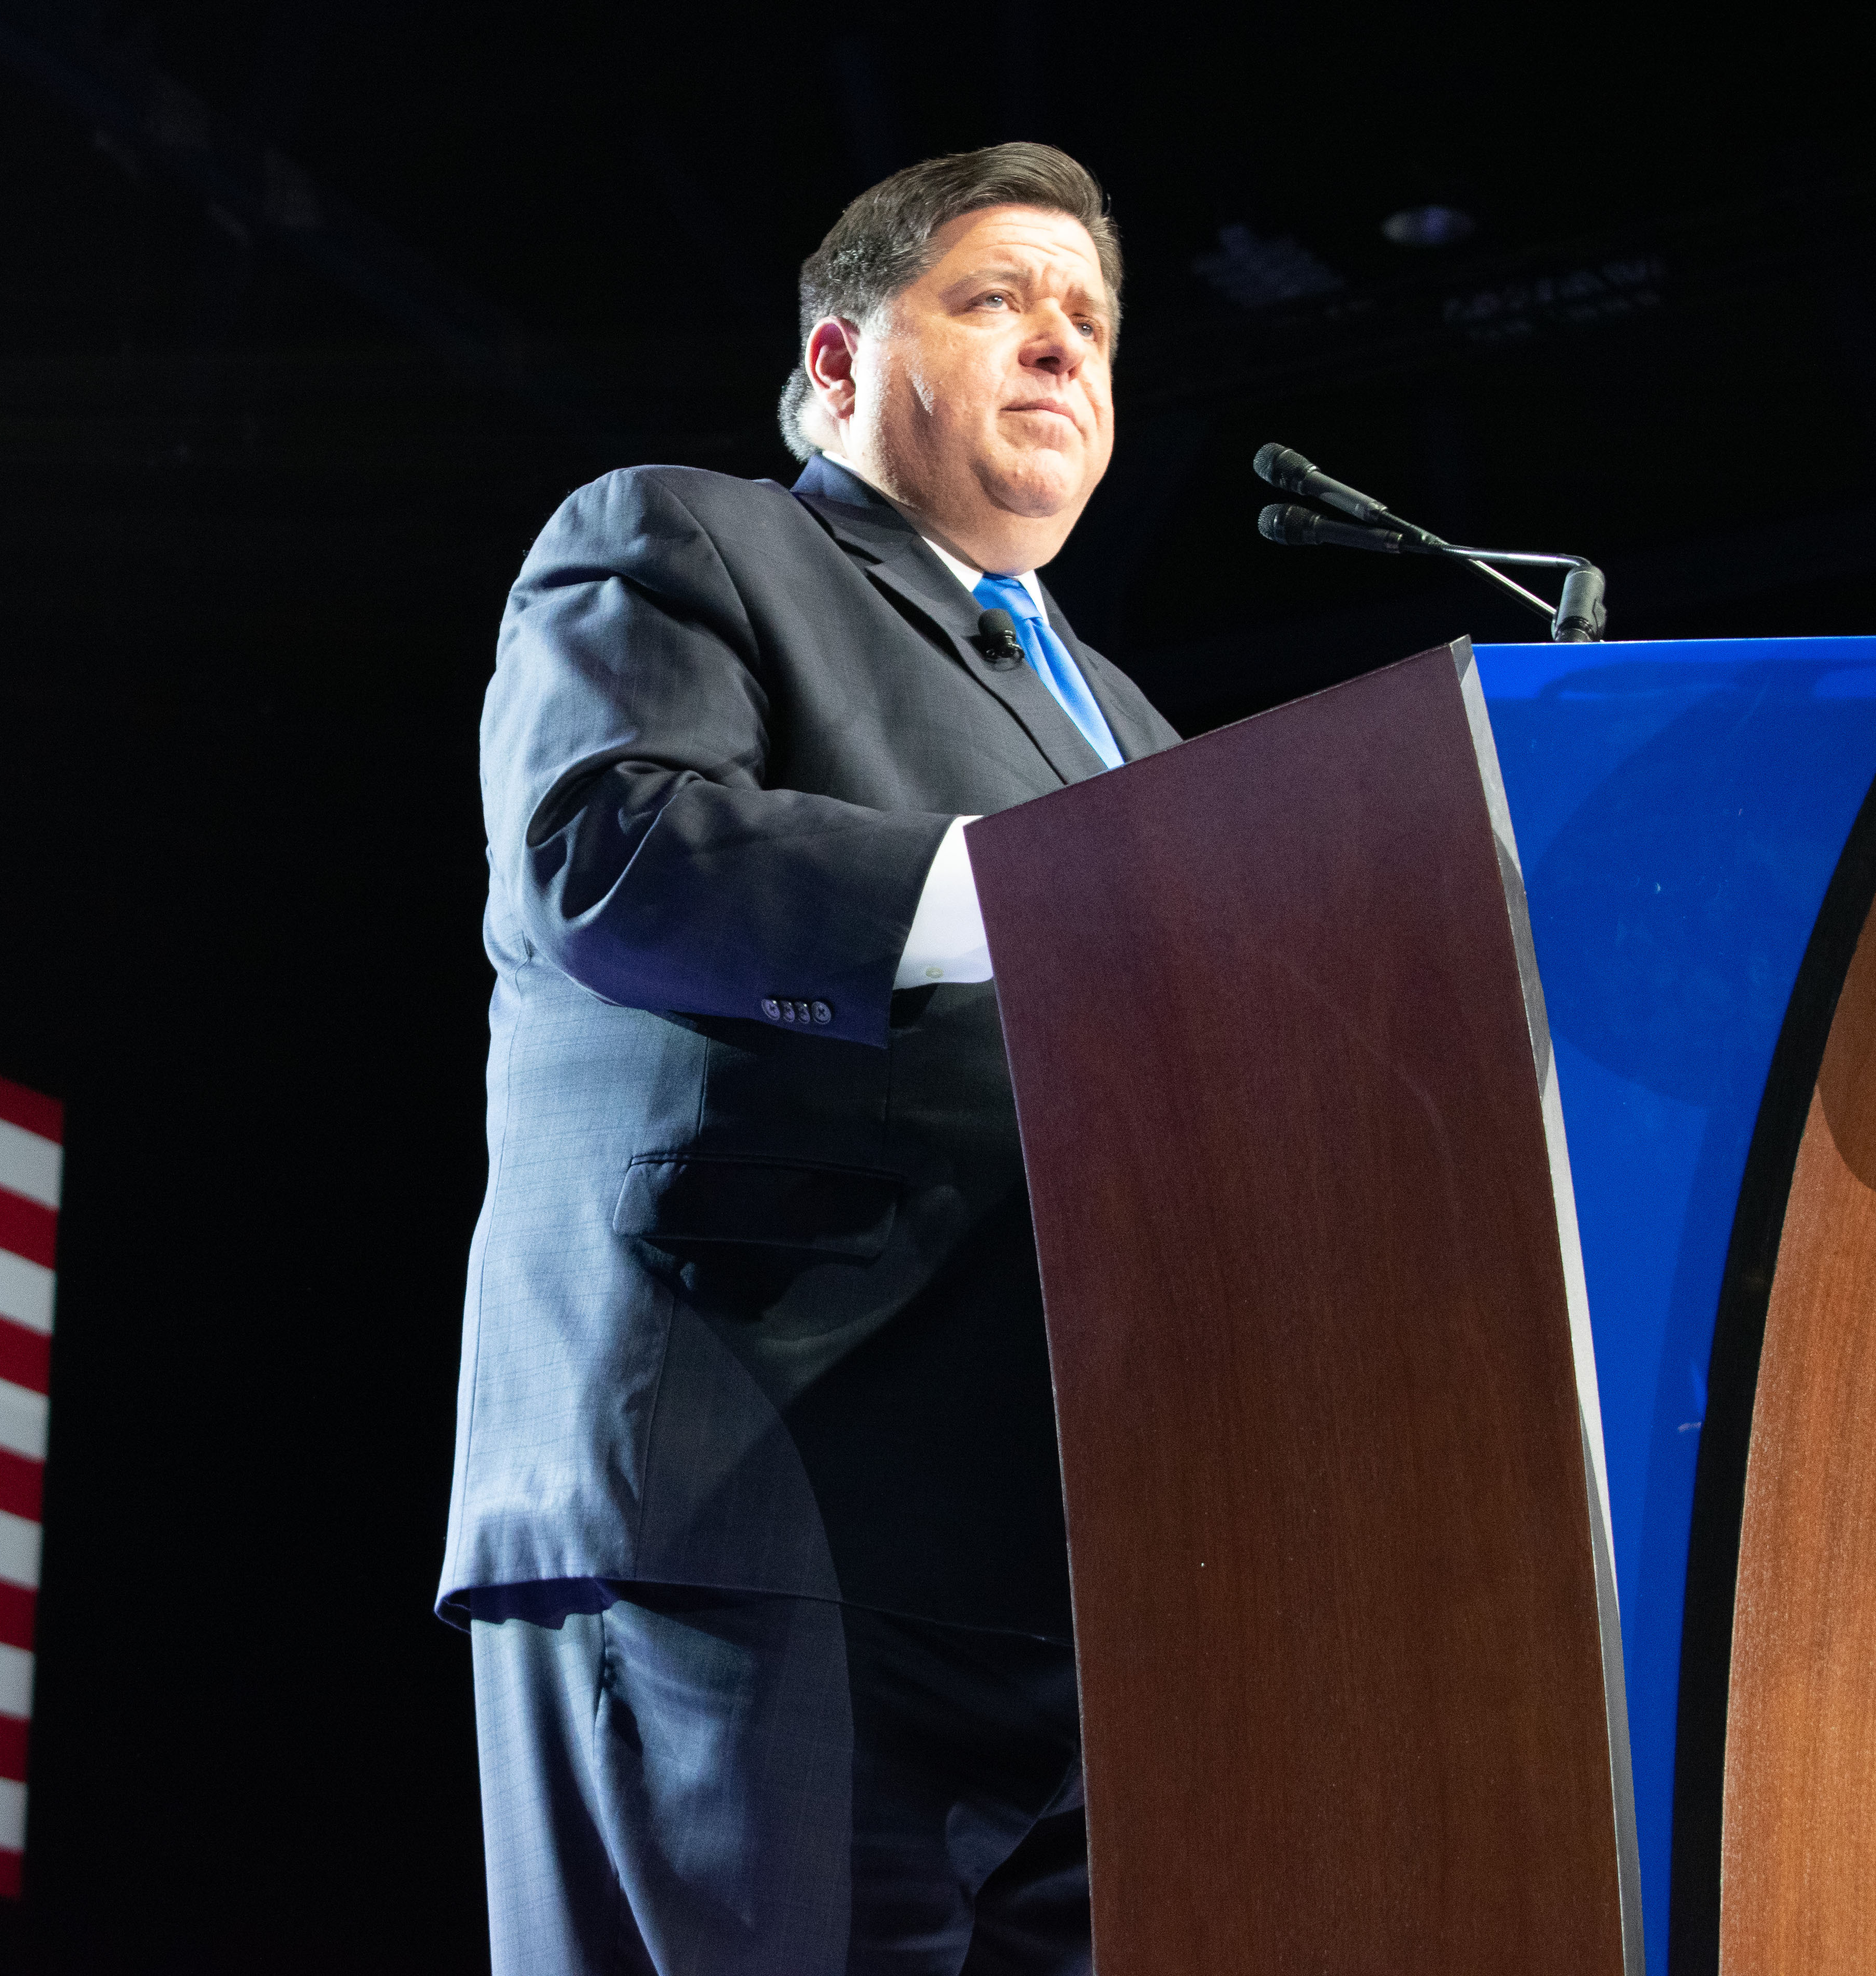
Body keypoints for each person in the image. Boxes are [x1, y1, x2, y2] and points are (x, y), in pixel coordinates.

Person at [443, 143, 1185, 1973]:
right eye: (997, 300)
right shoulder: (686, 539)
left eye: (1087, 321)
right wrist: (1068, 898)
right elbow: (606, 858)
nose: (1058, 349)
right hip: (745, 1491)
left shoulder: (1143, 729)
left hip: (1077, 1568)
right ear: (840, 365)